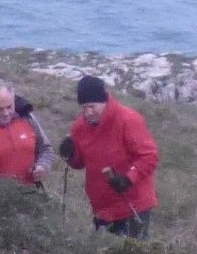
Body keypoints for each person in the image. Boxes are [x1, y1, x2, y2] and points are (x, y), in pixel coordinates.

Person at [61, 74, 159, 237]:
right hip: (102, 209)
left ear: (104, 101)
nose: (88, 113)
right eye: (84, 108)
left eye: (92, 106)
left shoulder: (128, 120)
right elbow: (79, 162)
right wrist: (69, 154)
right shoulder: (80, 126)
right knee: (106, 252)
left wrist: (128, 178)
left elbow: (150, 157)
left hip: (133, 204)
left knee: (132, 251)